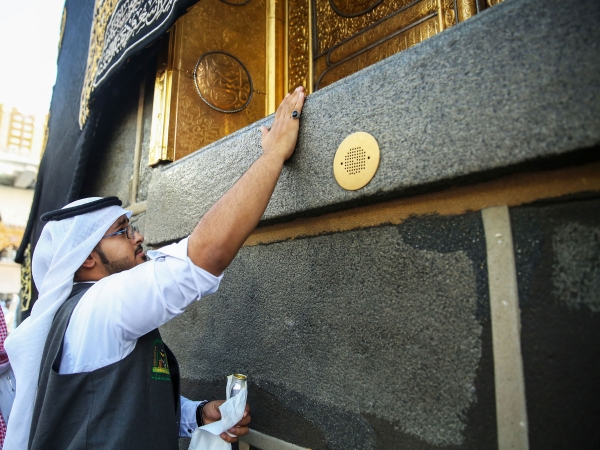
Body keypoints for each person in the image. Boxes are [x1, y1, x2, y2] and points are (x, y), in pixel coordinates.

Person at [4, 87, 306, 450]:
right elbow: (203, 255)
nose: (138, 236)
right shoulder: (97, 308)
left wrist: (196, 414)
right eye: (122, 231)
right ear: (86, 257)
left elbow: (117, 407)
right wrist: (273, 155)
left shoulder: (91, 312)